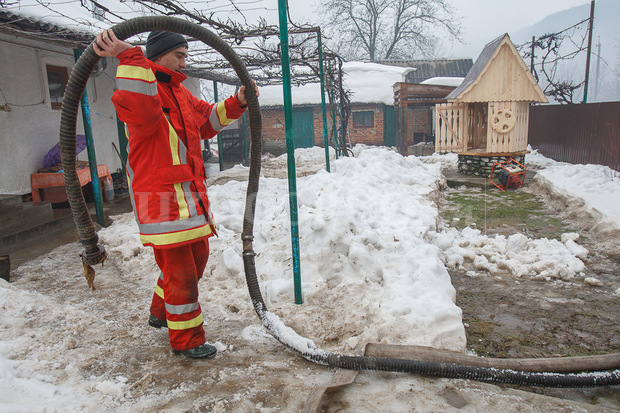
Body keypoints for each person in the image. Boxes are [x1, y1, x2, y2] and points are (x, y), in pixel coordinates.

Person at [94, 29, 258, 359]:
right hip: (162, 200)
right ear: (157, 55)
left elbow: (207, 120)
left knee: (194, 261)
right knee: (181, 270)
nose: (185, 61)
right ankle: (187, 340)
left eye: (186, 54)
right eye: (179, 55)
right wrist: (129, 56)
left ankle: (160, 310)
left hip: (188, 197)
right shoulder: (144, 89)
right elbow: (140, 106)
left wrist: (238, 102)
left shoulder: (179, 92)